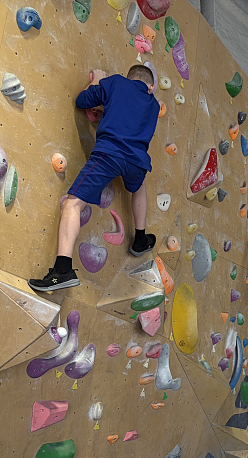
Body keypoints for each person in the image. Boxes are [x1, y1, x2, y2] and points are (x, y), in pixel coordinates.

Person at [29, 66, 160, 292]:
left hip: (110, 154)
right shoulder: (153, 103)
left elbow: (82, 100)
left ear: (129, 78)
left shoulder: (116, 82)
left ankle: (63, 270)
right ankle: (140, 237)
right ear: (150, 86)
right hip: (138, 162)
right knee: (138, 188)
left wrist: (97, 82)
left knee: (72, 204)